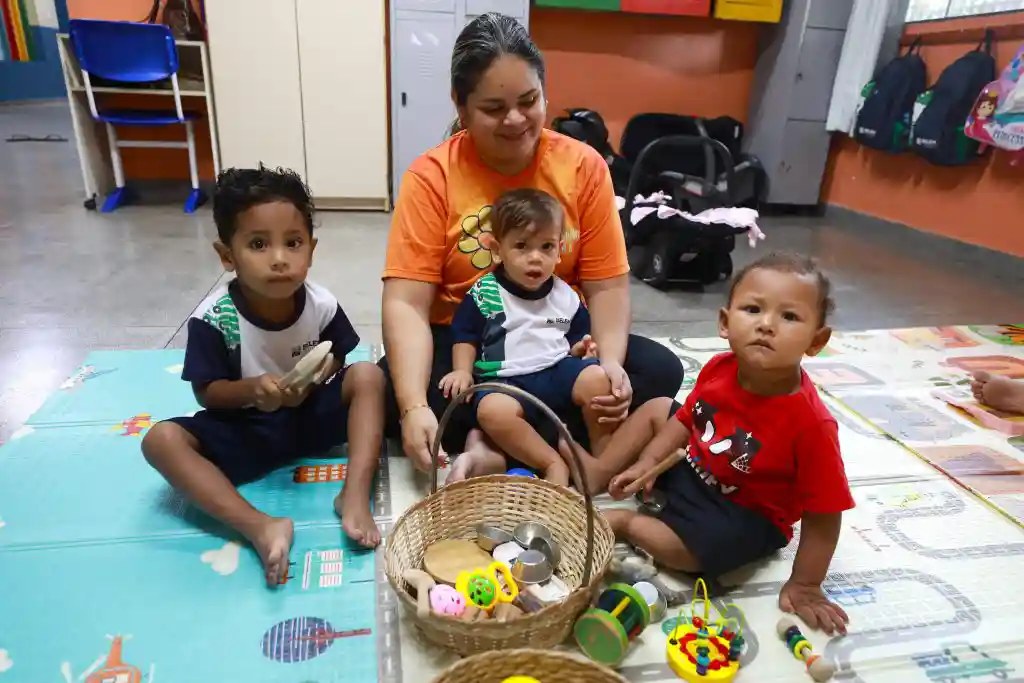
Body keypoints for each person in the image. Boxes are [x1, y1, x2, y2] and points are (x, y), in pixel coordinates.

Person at [380, 12, 684, 477]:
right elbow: (406, 303)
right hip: (475, 347)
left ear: (544, 91)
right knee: (389, 389)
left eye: (529, 100)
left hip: (556, 344)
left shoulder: (583, 167)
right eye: (494, 108)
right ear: (461, 108)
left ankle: (497, 440)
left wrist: (609, 367)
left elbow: (607, 287)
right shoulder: (432, 176)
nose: (516, 119)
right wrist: (413, 406)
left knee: (658, 370)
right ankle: (541, 436)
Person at [141, 166, 386, 588]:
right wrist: (254, 392)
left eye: (293, 243)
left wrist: (320, 375)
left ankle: (355, 493)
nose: (279, 258)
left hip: (308, 418)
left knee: (368, 374)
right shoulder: (216, 319)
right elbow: (207, 393)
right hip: (245, 430)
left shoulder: (320, 304)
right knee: (159, 440)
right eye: (258, 244)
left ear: (311, 248)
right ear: (227, 256)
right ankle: (259, 526)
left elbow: (338, 355)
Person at [602, 252, 854, 636]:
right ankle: (597, 470)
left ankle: (627, 523)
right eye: (753, 309)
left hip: (743, 511)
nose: (766, 325)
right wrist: (648, 461)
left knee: (694, 556)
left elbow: (824, 513)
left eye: (789, 317)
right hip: (693, 466)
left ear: (816, 341)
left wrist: (806, 583)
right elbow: (688, 419)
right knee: (657, 408)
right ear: (724, 322)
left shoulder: (811, 424)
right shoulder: (720, 367)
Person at [439, 188, 611, 485]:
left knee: (598, 378)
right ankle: (551, 462)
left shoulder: (564, 295)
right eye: (521, 246)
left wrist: (582, 347)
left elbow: (568, 330)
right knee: (491, 411)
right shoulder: (486, 293)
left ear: (560, 249)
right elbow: (465, 335)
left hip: (557, 370)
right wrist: (462, 370)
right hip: (507, 379)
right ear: (497, 248)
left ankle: (601, 459)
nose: (535, 259)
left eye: (546, 247)